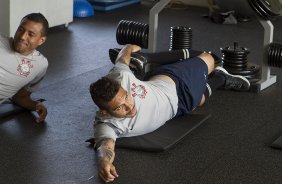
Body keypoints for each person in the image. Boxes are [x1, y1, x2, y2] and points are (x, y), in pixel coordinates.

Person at [89, 44, 250, 182]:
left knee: (209, 59)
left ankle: (146, 58)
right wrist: (104, 162)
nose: (129, 106)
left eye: (126, 96)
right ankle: (222, 78)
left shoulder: (120, 76)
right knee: (199, 100)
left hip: (174, 80)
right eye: (119, 108)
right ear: (104, 112)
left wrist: (129, 47)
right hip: (179, 107)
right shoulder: (106, 125)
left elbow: (121, 59)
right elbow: (105, 146)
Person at [0, 13, 49, 123]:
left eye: (30, 34)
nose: (22, 36)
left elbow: (20, 97)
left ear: (41, 40)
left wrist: (36, 105)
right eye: (21, 30)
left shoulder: (41, 65)